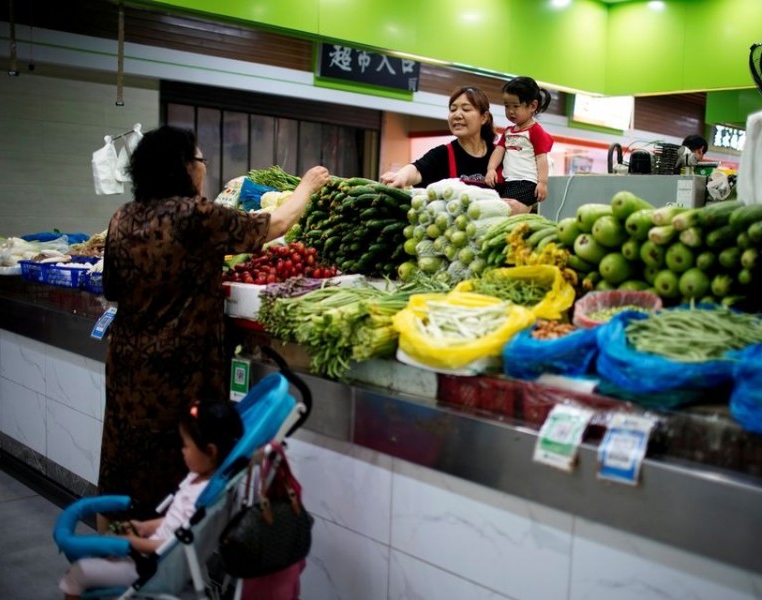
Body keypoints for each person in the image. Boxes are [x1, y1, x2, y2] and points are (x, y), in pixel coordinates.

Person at [99, 125, 328, 527]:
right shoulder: (194, 215)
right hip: (178, 370)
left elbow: (113, 287)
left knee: (123, 460)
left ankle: (111, 549)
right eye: (201, 160)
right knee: (178, 465)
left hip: (127, 366)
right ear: (185, 168)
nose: (204, 169)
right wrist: (307, 186)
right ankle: (160, 557)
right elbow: (272, 226)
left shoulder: (122, 218)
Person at [59, 399, 244, 599]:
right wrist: (145, 526)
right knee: (97, 559)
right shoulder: (198, 479)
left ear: (210, 451)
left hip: (152, 567)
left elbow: (176, 543)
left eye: (186, 446)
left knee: (78, 573)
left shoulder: (202, 496)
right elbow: (176, 522)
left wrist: (131, 542)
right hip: (151, 555)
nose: (182, 451)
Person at [381, 86, 497, 190]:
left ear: (484, 117)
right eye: (453, 109)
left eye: (466, 109)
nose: (457, 115)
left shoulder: (500, 155)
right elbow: (416, 171)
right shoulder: (442, 154)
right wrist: (400, 176)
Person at [485, 76, 554, 208]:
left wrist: (543, 183)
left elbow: (541, 158)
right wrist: (491, 169)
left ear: (533, 106)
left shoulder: (535, 131)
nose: (510, 111)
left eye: (516, 106)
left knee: (507, 210)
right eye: (507, 106)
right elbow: (498, 151)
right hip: (509, 182)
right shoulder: (508, 132)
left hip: (527, 183)